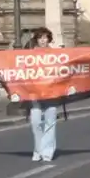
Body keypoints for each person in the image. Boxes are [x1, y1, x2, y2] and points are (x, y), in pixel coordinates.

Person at [27, 27, 60, 162]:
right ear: (36, 40)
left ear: (49, 39)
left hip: (51, 93)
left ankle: (47, 152)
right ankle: (38, 150)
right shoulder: (30, 55)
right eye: (40, 38)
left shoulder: (55, 55)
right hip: (35, 94)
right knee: (35, 122)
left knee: (50, 122)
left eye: (45, 38)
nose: (43, 40)